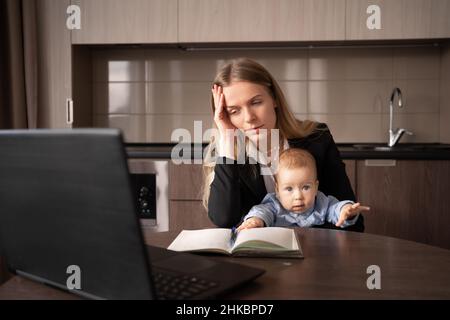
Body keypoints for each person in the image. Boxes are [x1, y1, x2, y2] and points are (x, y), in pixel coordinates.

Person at [202, 57, 365, 232]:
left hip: (316, 251)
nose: (249, 118)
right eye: (234, 111)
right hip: (255, 255)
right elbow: (224, 219)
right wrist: (227, 140)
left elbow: (353, 223)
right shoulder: (227, 154)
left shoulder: (317, 139)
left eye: (256, 102)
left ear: (274, 99)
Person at [237, 148, 370, 231]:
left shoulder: (322, 203)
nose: (298, 196)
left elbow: (335, 209)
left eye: (305, 187)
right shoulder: (274, 205)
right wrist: (255, 220)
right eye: (289, 189)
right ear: (277, 190)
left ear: (316, 186)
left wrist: (346, 210)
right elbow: (261, 211)